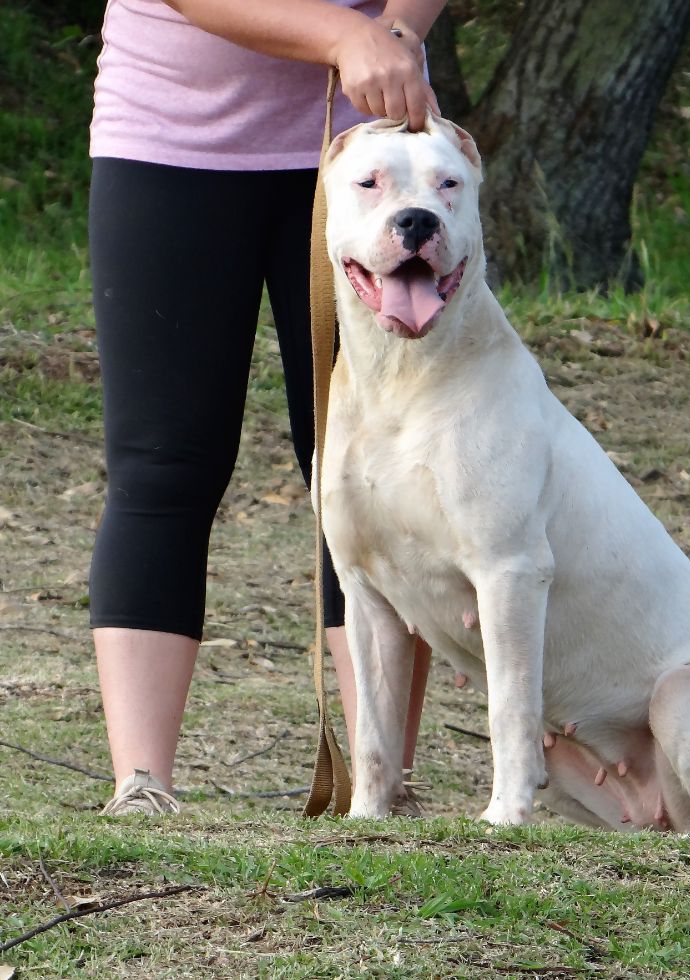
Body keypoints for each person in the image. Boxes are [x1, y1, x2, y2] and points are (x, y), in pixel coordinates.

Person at [89, 0, 447, 815]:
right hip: (169, 137)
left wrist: (400, 29)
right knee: (164, 463)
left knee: (370, 466)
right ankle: (140, 787)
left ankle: (381, 783)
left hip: (372, 146)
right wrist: (339, 33)